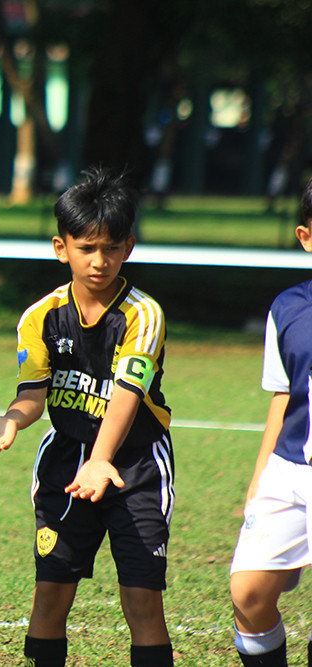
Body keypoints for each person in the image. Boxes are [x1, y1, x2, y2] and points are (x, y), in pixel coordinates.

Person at [0, 166, 175, 667]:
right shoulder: (40, 316)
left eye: (112, 247)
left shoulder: (144, 314)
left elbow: (126, 393)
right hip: (64, 462)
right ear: (62, 248)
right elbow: (34, 393)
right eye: (87, 248)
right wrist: (12, 419)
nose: (99, 261)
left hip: (135, 466)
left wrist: (101, 460)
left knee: (142, 600)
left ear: (129, 247)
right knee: (51, 596)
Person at [229, 175, 312, 666]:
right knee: (248, 595)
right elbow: (282, 397)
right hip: (290, 470)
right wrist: (260, 477)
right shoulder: (287, 308)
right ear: (306, 237)